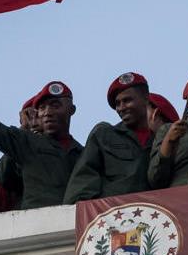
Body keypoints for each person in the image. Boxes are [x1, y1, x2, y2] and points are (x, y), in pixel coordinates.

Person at [0, 75, 82, 210]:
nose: (47, 112)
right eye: (42, 108)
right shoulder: (28, 142)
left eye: (55, 105)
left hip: (76, 224)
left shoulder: (83, 153)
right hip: (37, 224)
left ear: (72, 110)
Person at [65, 72, 160, 201]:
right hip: (114, 216)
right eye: (117, 103)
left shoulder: (162, 137)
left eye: (127, 100)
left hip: (155, 214)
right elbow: (84, 179)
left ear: (146, 99)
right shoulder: (104, 134)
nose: (121, 108)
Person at [0, 97, 43, 209]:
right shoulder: (17, 148)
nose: (35, 120)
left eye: (40, 114)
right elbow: (1, 179)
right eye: (29, 115)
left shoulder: (63, 147)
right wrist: (23, 131)